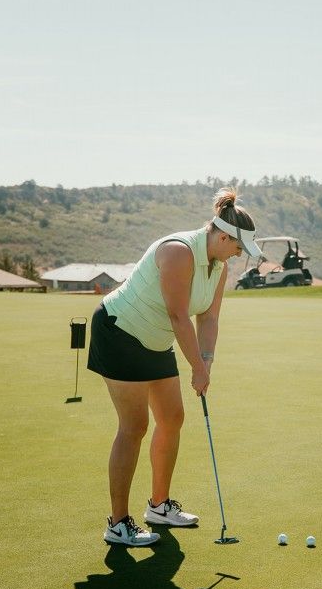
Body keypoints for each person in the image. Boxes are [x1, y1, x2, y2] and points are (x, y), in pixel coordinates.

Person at [87, 188, 262, 547]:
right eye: (237, 246)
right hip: (120, 330)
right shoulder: (178, 251)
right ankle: (118, 523)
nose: (238, 253)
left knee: (172, 417)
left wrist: (207, 364)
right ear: (223, 235)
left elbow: (208, 318)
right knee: (134, 426)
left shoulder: (220, 266)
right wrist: (195, 367)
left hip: (156, 339)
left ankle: (159, 506)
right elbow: (179, 316)